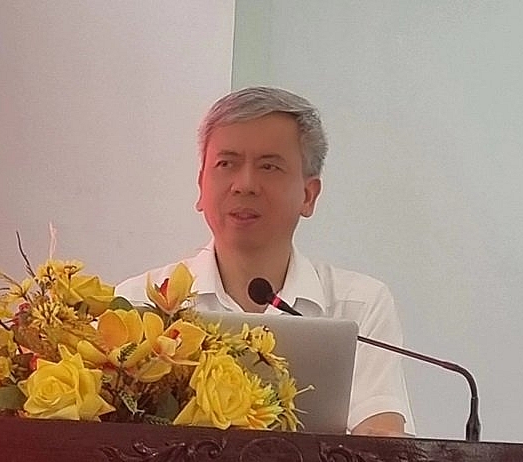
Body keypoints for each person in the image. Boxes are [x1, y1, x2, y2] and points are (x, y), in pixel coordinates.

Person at [115, 86, 415, 436]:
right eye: (226, 164)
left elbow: (381, 435)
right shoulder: (139, 304)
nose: (244, 185)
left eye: (269, 166)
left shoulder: (358, 306)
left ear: (308, 195)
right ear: (200, 186)